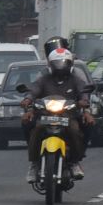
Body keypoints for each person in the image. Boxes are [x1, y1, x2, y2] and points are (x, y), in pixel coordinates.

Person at [21, 47, 92, 183]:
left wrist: (84, 101)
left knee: (75, 130)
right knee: (34, 129)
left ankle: (75, 162)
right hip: (44, 115)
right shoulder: (44, 79)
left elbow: (83, 91)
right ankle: (34, 164)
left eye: (63, 63)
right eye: (57, 63)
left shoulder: (75, 79)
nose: (60, 66)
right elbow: (34, 89)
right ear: (50, 64)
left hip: (68, 116)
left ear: (70, 63)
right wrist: (28, 99)